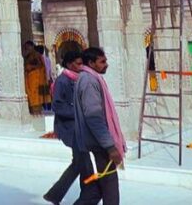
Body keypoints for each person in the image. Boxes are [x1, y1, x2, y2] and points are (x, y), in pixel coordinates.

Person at [73, 47, 125, 205]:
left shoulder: (90, 78)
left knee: (102, 184)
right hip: (99, 142)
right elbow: (94, 118)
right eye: (102, 62)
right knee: (109, 185)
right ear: (91, 63)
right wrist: (110, 146)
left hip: (97, 140)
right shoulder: (89, 81)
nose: (106, 64)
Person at [44, 51, 84, 205]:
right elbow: (57, 106)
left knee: (80, 164)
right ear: (69, 64)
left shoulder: (77, 79)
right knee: (81, 163)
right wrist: (79, 111)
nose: (81, 67)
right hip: (69, 128)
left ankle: (55, 195)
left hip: (78, 128)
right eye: (78, 63)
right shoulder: (63, 81)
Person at [24, 41, 50, 115]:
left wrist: (31, 67)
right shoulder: (27, 55)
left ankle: (37, 113)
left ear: (32, 46)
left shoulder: (37, 55)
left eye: (28, 47)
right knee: (30, 96)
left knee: (36, 97)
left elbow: (41, 66)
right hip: (29, 79)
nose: (26, 48)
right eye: (25, 47)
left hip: (36, 79)